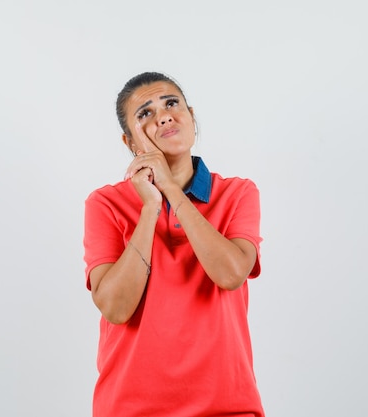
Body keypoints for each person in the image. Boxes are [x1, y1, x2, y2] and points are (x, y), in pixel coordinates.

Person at [83, 71, 265, 417]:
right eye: (145, 114)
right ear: (130, 143)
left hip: (228, 408)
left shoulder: (238, 193)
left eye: (171, 103)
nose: (164, 115)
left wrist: (171, 189)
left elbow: (230, 275)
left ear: (191, 117)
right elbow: (115, 308)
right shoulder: (104, 204)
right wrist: (151, 205)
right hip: (129, 409)